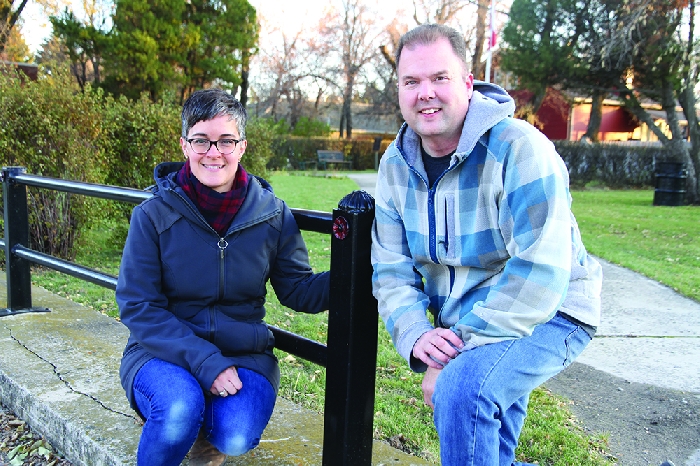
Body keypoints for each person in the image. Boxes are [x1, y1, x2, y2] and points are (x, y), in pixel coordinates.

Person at [371, 24, 603, 465]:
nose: (426, 93)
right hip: (470, 319)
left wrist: (455, 350)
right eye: (412, 82)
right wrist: (417, 335)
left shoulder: (520, 149)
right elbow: (390, 268)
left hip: (552, 309)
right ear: (398, 89)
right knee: (488, 452)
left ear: (467, 83)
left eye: (440, 78)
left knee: (461, 393)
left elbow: (539, 270)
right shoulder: (395, 166)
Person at [116, 88, 329, 466]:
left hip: (243, 354)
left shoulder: (272, 216)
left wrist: (364, 270)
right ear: (184, 145)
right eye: (201, 140)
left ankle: (192, 427)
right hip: (162, 351)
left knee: (235, 435)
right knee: (179, 407)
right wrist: (205, 363)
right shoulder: (152, 216)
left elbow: (298, 291)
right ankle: (173, 412)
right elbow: (139, 306)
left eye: (226, 141)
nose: (214, 153)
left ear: (242, 146)